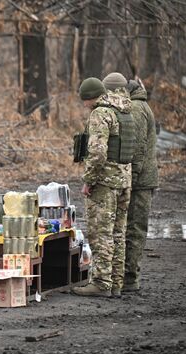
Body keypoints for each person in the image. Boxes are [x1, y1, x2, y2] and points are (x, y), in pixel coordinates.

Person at [71, 77, 132, 298]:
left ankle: (101, 282)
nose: (84, 105)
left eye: (84, 100)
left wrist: (89, 180)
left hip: (105, 183)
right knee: (118, 233)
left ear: (89, 97)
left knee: (101, 234)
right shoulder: (124, 110)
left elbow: (97, 153)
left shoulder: (100, 114)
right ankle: (116, 282)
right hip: (124, 180)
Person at [121, 79, 159, 293]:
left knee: (134, 228)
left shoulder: (135, 108)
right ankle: (128, 275)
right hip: (144, 179)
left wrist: (130, 179)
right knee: (134, 228)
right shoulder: (141, 105)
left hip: (140, 182)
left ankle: (129, 278)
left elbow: (137, 149)